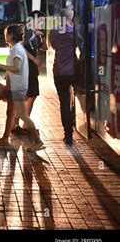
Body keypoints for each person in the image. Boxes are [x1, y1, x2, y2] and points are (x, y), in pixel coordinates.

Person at [0, 24, 45, 152]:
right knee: (11, 113)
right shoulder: (16, 48)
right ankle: (5, 138)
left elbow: (17, 68)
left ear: (11, 35)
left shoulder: (16, 49)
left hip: (18, 88)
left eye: (6, 33)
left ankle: (38, 141)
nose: (5, 35)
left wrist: (1, 66)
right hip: (16, 87)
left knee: (23, 115)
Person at [12, 11, 47, 135]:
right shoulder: (26, 32)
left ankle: (25, 123)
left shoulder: (36, 34)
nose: (42, 23)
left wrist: (41, 36)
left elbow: (44, 48)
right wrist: (34, 59)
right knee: (25, 96)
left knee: (32, 95)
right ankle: (15, 124)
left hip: (32, 70)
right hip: (25, 68)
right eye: (40, 20)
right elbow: (19, 48)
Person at [49, 8, 75, 144]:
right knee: (78, 99)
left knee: (64, 103)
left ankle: (68, 135)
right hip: (74, 72)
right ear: (71, 17)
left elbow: (53, 47)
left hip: (59, 72)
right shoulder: (75, 30)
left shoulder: (53, 32)